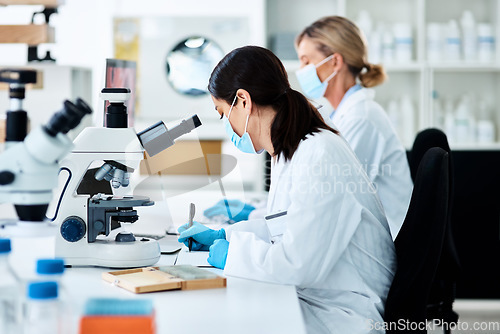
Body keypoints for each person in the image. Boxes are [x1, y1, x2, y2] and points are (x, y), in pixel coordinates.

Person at [178, 45, 396, 334]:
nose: (226, 125)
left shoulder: (319, 154)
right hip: (321, 292)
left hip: (343, 311)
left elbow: (297, 264)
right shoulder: (291, 149)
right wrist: (224, 235)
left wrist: (233, 255)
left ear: (243, 101)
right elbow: (286, 228)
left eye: (222, 113)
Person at [294, 16, 412, 239]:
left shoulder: (362, 118)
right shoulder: (342, 115)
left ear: (335, 62)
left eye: (306, 61)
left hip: (389, 242)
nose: (301, 70)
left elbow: (332, 195)